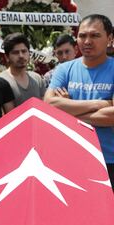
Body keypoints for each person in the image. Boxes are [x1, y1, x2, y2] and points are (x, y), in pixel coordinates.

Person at [44, 14, 114, 188]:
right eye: (82, 35)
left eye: (94, 35)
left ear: (110, 38)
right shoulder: (64, 69)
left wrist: (68, 113)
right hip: (72, 157)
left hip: (108, 158)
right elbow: (49, 106)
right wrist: (102, 103)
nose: (87, 41)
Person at [0, 32, 46, 106]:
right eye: (15, 52)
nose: (21, 56)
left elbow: (45, 107)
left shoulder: (37, 78)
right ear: (7, 57)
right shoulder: (1, 81)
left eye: (24, 51)